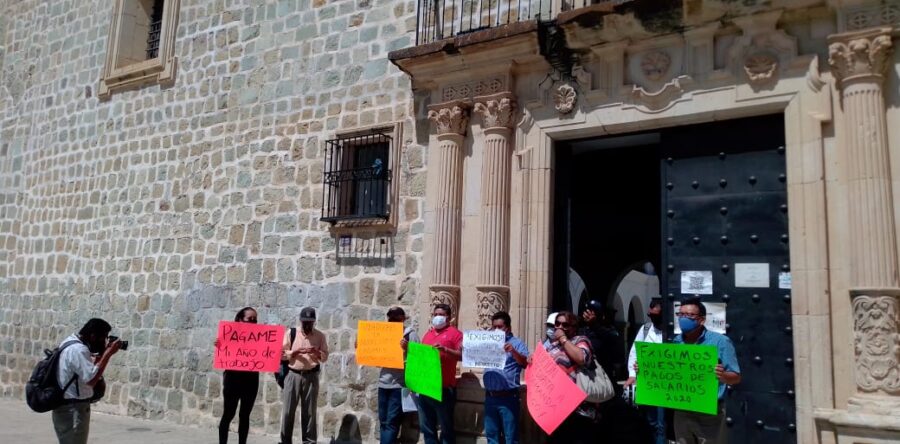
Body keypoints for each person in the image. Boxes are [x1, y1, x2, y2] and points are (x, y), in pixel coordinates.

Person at [672, 298, 741, 444]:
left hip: (709, 412)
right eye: (681, 314)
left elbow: (735, 377)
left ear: (701, 320)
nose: (684, 318)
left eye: (690, 316)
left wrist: (722, 376)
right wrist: (644, 370)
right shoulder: (676, 343)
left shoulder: (720, 342)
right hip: (682, 410)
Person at [53, 318, 122, 444]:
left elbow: (83, 371)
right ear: (93, 336)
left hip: (64, 406)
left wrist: (101, 355)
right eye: (103, 338)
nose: (105, 341)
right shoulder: (79, 350)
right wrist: (108, 354)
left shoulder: (69, 342)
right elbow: (91, 379)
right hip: (73, 410)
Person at [543, 311, 596, 444]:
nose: (559, 327)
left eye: (565, 325)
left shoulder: (581, 341)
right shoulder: (552, 345)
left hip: (577, 409)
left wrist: (563, 339)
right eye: (557, 323)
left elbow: (581, 358)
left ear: (573, 327)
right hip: (555, 407)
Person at [280, 307, 329, 444]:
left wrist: (316, 352)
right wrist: (295, 352)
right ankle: (285, 441)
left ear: (314, 322)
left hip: (311, 376)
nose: (308, 325)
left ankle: (309, 441)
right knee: (288, 411)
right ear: (301, 321)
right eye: (305, 322)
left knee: (309, 412)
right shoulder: (292, 333)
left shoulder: (320, 336)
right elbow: (281, 354)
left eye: (310, 322)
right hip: (293, 375)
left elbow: (325, 357)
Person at [418, 303, 463, 444]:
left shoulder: (456, 334)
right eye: (435, 314)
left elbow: (462, 356)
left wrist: (445, 350)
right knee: (427, 428)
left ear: (448, 317)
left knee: (446, 428)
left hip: (444, 388)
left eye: (441, 315)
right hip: (425, 388)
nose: (437, 317)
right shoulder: (428, 334)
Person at [483, 311, 528, 444]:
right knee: (491, 436)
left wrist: (513, 351)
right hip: (490, 397)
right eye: (494, 327)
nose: (496, 330)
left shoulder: (517, 343)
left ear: (507, 328)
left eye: (500, 327)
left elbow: (525, 363)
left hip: (508, 397)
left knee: (511, 437)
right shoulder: (487, 342)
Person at [625, 299, 666, 444]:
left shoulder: (673, 331)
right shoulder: (646, 329)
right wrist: (632, 375)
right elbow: (635, 352)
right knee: (650, 420)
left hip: (667, 385)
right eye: (650, 314)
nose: (651, 316)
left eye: (655, 314)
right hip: (648, 383)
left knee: (662, 423)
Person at [217, 307, 260, 444]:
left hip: (251, 381)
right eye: (250, 319)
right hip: (233, 380)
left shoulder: (260, 337)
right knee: (228, 414)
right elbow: (223, 350)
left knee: (245, 415)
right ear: (240, 319)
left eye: (255, 319)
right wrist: (219, 345)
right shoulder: (229, 335)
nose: (253, 322)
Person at [379, 307, 420, 444]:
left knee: (392, 422)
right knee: (383, 420)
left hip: (399, 385)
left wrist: (408, 348)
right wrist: (360, 347)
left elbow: (419, 359)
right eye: (391, 319)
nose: (393, 322)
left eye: (396, 319)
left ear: (403, 319)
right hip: (383, 383)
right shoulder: (384, 333)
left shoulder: (410, 335)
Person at [580, 299, 626, 387]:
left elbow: (611, 340)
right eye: (587, 311)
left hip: (603, 377)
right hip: (585, 377)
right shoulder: (582, 331)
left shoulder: (610, 332)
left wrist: (594, 325)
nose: (588, 315)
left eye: (593, 313)